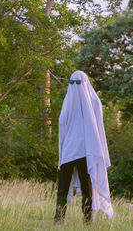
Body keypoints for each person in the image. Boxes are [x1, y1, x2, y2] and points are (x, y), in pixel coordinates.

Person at [54, 70, 113, 224]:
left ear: (85, 84)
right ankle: (60, 220)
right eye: (73, 83)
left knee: (86, 189)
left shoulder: (92, 102)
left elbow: (96, 128)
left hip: (85, 151)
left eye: (78, 83)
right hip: (72, 151)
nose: (76, 86)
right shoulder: (71, 100)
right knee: (64, 188)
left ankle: (86, 221)